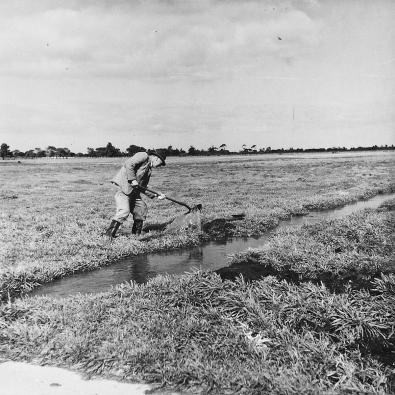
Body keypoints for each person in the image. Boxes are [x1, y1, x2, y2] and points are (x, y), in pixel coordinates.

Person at [105, 149, 167, 239]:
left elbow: (143, 187)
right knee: (124, 211)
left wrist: (157, 195)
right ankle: (109, 235)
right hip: (123, 188)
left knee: (141, 208)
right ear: (156, 158)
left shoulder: (149, 170)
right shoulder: (143, 155)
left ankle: (136, 236)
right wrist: (132, 179)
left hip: (133, 192)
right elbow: (128, 164)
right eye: (161, 163)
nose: (160, 166)